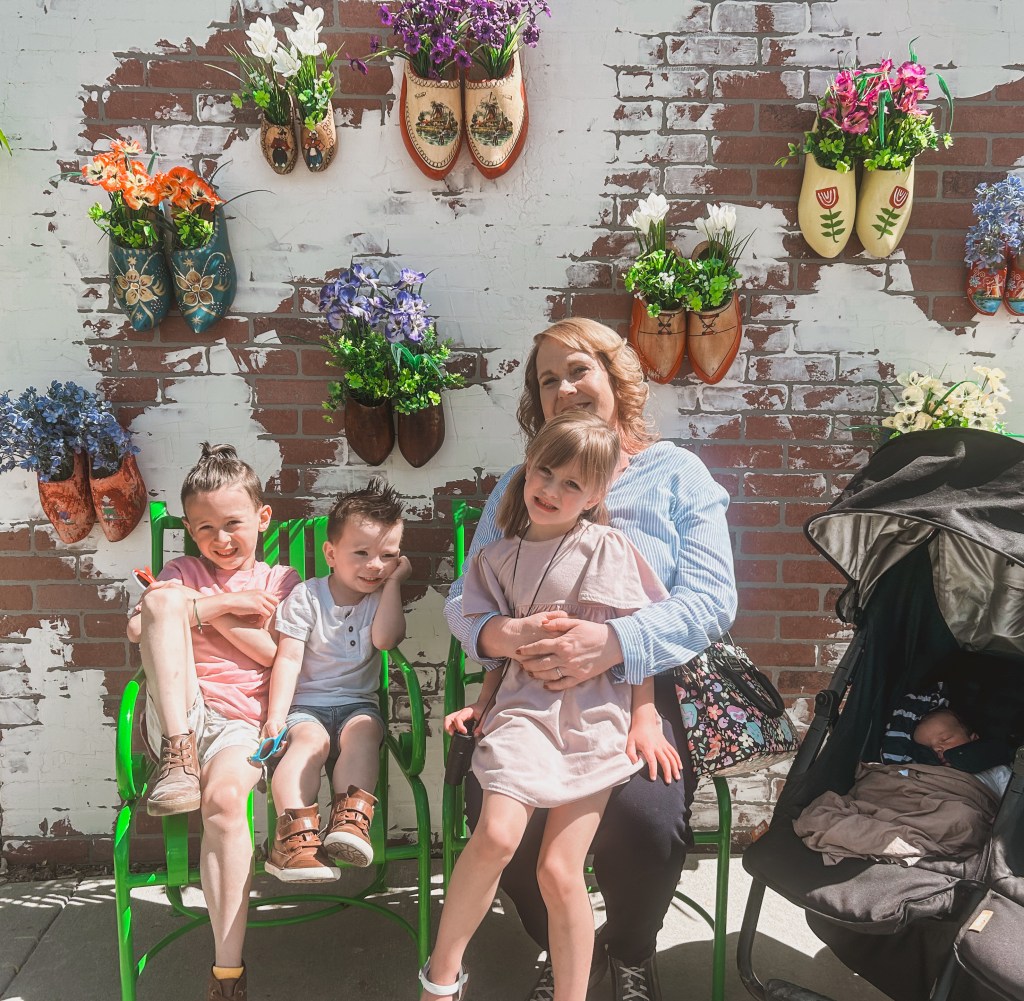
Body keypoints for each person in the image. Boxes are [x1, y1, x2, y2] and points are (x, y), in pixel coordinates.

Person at [444, 318, 737, 1001]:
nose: (565, 388)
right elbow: (467, 597)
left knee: (646, 819)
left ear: (616, 376)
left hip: (642, 690)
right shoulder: (523, 482)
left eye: (579, 369)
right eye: (548, 379)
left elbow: (711, 599)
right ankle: (563, 943)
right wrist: (505, 635)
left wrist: (612, 643)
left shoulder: (676, 475)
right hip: (528, 693)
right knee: (497, 816)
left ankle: (630, 948)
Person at [421, 411, 683, 1001]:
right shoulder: (496, 559)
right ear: (527, 468)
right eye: (545, 472)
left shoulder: (606, 547)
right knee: (495, 836)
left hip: (594, 716)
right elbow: (495, 647)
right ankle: (440, 980)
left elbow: (637, 639)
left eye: (572, 484)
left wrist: (644, 715)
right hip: (521, 711)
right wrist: (483, 702)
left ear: (594, 496)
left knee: (560, 870)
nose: (552, 490)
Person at [126, 443, 301, 1001]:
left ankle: (227, 974)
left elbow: (274, 655)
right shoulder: (182, 571)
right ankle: (178, 756)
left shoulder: (280, 581)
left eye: (233, 524)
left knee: (225, 802)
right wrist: (224, 604)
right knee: (161, 605)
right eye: (205, 528)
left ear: (262, 518)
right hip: (178, 713)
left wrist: (197, 612)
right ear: (188, 530)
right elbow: (140, 627)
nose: (221, 540)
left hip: (240, 722)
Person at [260, 478, 411, 882]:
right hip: (306, 707)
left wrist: (394, 584)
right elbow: (288, 658)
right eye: (361, 553)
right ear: (331, 553)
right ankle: (293, 837)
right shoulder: (307, 597)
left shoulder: (380, 599)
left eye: (387, 556)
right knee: (310, 742)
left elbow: (386, 640)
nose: (375, 565)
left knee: (364, 733)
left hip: (358, 705)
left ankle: (348, 824)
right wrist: (276, 717)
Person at [912, 708, 1012, 798]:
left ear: (974, 739)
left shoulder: (995, 771)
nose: (936, 749)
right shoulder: (921, 775)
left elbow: (1015, 801)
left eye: (945, 739)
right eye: (928, 748)